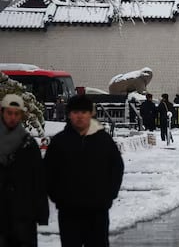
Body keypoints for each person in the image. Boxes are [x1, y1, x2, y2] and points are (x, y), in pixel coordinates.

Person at [44, 94, 124, 247]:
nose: (80, 116)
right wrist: (58, 197)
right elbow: (49, 172)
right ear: (69, 114)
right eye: (75, 112)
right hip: (69, 211)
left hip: (97, 210)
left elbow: (116, 168)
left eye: (83, 112)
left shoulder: (103, 140)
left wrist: (109, 195)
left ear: (90, 114)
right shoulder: (60, 141)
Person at [0, 93, 49, 246]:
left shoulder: (28, 145)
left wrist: (41, 213)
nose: (12, 117)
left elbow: (38, 180)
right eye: (9, 113)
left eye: (16, 113)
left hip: (24, 216)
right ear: (2, 112)